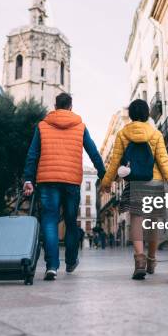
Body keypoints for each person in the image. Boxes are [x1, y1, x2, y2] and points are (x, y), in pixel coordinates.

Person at [23, 93, 105, 281]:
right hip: (71, 181)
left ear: (55, 105)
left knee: (50, 221)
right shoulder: (80, 126)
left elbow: (32, 154)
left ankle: (51, 266)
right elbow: (93, 152)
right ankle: (70, 261)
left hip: (47, 180)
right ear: (70, 106)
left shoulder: (42, 126)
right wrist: (103, 174)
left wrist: (28, 178)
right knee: (70, 221)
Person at [101, 99, 168, 280]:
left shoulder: (123, 134)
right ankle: (152, 260)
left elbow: (115, 162)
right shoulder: (156, 134)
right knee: (153, 223)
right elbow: (163, 162)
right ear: (147, 114)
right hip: (155, 183)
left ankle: (139, 261)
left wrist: (106, 182)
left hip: (136, 182)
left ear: (131, 115)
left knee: (137, 220)